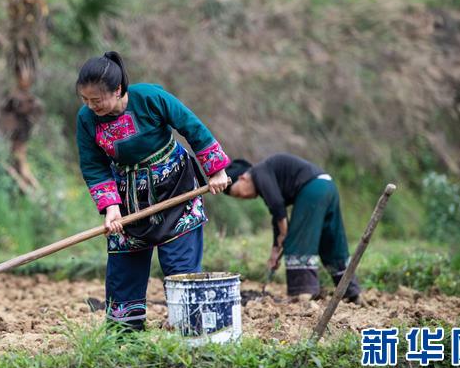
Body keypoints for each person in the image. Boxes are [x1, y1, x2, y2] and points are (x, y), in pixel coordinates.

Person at [76, 52, 231, 330]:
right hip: (128, 197)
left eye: (96, 100)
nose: (90, 106)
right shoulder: (86, 120)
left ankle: (189, 330)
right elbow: (93, 165)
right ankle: (125, 335)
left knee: (179, 262)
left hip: (175, 187)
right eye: (85, 100)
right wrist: (111, 207)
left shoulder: (149, 98)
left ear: (118, 90)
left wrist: (216, 170)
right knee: (124, 263)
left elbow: (191, 126)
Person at [224, 154, 362, 303]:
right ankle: (351, 291)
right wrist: (275, 250)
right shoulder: (267, 176)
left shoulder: (259, 171)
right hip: (328, 186)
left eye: (238, 193)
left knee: (298, 242)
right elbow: (277, 216)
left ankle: (303, 292)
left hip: (312, 189)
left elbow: (277, 206)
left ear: (243, 178)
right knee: (331, 243)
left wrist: (284, 234)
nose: (243, 198)